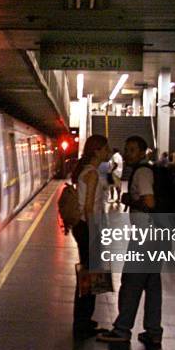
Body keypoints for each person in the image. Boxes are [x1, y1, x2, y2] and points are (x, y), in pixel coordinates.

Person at [97, 135, 163, 346]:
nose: (128, 153)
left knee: (131, 283)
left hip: (145, 236)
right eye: (127, 149)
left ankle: (122, 329)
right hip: (157, 234)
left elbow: (149, 202)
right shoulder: (148, 170)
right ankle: (153, 330)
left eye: (132, 150)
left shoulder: (142, 172)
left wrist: (129, 200)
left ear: (143, 152)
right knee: (152, 284)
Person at [71, 135, 112, 338]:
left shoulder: (85, 171)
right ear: (96, 151)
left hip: (81, 226)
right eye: (106, 149)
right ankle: (83, 322)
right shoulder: (93, 173)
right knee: (90, 274)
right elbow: (89, 207)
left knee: (87, 274)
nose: (109, 152)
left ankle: (83, 319)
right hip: (88, 227)